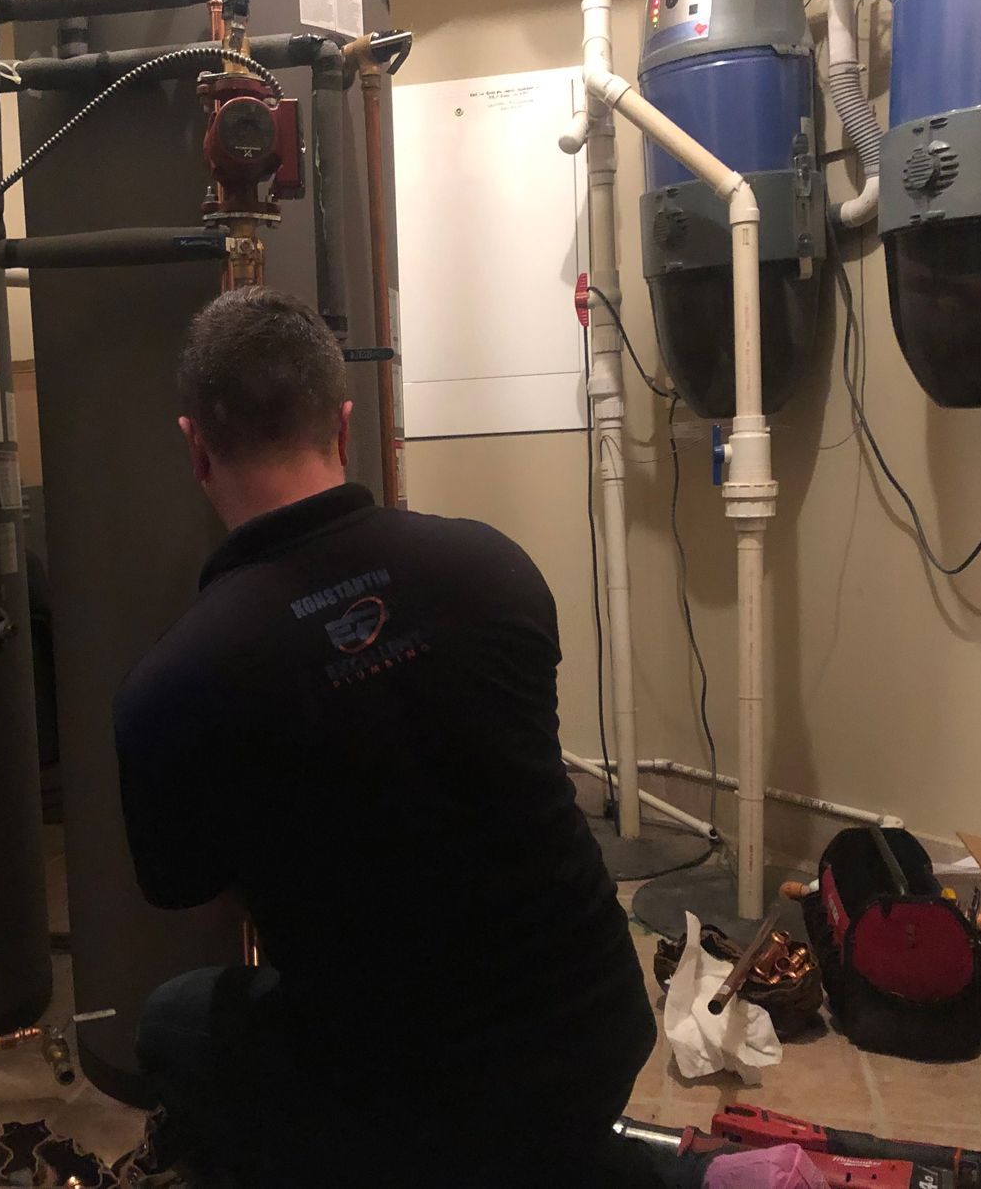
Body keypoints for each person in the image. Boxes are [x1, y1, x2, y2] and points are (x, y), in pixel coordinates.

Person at [113, 287, 659, 1188]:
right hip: (599, 1034)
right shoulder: (495, 566)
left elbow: (185, 889)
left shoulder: (172, 684)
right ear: (344, 423)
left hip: (410, 1109)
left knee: (172, 1018)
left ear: (195, 447)